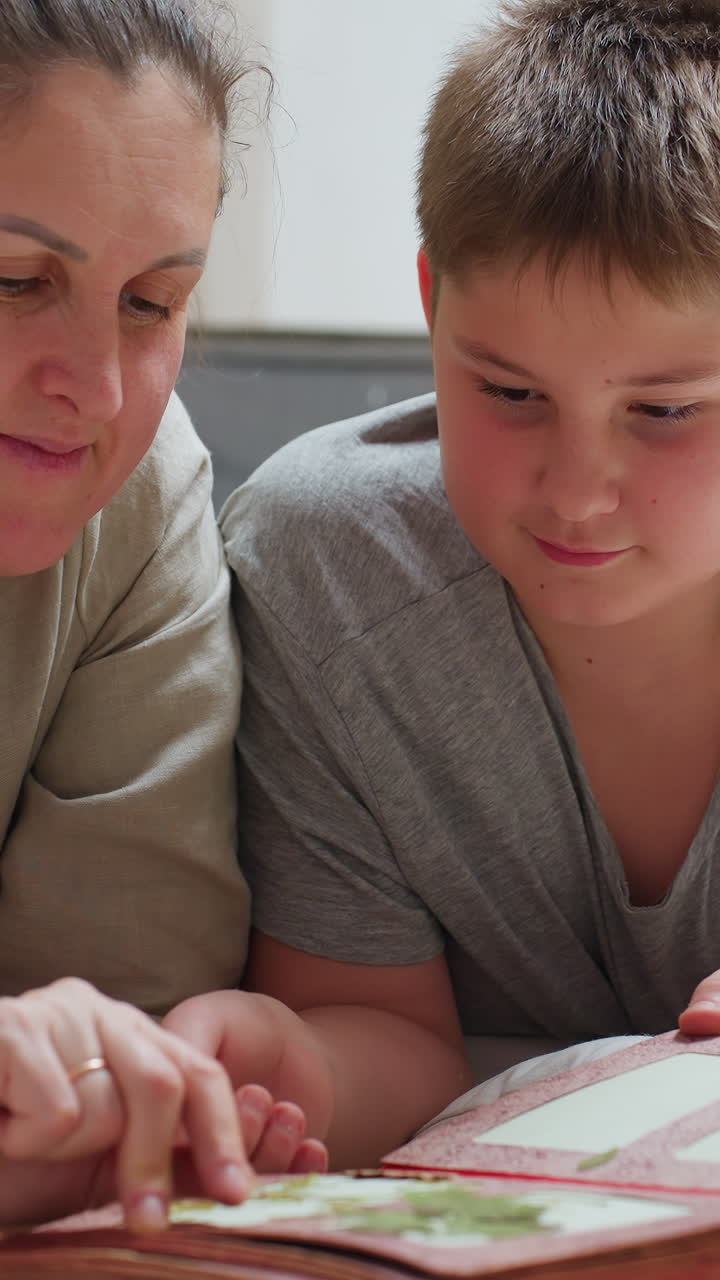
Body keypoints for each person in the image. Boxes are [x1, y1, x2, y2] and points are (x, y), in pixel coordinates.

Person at [192, 0, 720, 1169]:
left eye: (666, 409)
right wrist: (284, 1073)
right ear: (431, 303)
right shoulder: (328, 575)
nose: (576, 492)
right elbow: (382, 1031)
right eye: (511, 392)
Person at [0, 0, 324, 1233]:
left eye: (152, 302)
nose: (94, 389)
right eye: (14, 279)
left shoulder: (137, 495)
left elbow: (108, 1052)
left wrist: (72, 1127)